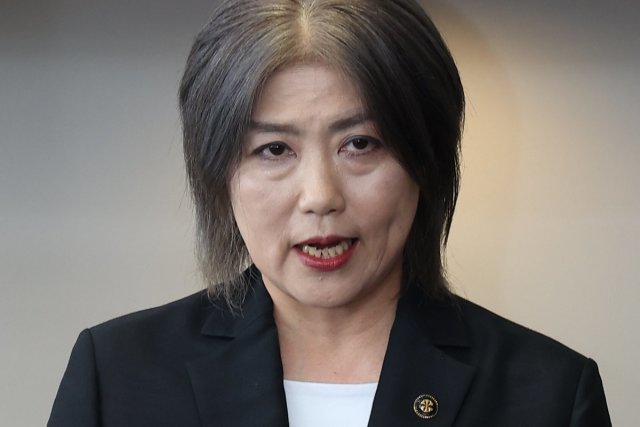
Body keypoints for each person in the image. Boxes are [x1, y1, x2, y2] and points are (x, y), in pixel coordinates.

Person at [49, 0, 611, 426]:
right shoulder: (116, 375)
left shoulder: (551, 394)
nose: (320, 196)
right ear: (218, 173)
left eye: (360, 144)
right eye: (274, 149)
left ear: (426, 160)